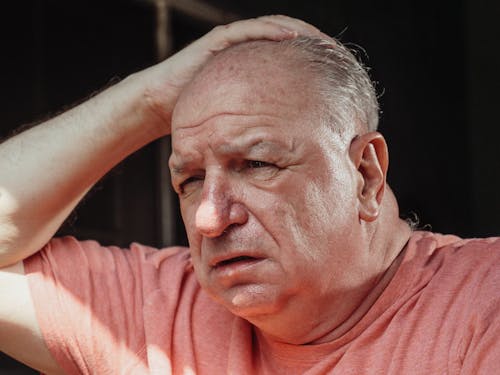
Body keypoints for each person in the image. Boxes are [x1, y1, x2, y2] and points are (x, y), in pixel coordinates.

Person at [0, 15, 498, 374]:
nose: (209, 219)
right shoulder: (164, 308)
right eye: (190, 180)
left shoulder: (481, 303)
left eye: (257, 164)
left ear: (365, 175)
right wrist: (147, 103)